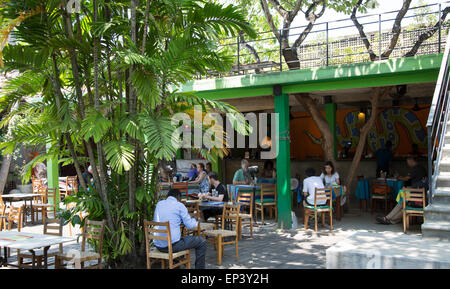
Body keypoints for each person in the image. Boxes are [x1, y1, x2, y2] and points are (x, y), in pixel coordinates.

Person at [153, 189, 207, 269]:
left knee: (179, 238)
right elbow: (190, 225)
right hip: (171, 246)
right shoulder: (179, 205)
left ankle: (176, 263)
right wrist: (196, 220)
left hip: (158, 244)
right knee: (201, 241)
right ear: (178, 197)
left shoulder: (159, 204)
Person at [376, 156, 427, 225]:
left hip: (417, 198)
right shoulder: (422, 168)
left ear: (411, 161)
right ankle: (390, 221)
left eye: (408, 162)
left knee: (402, 202)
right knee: (403, 205)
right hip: (422, 197)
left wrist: (399, 178)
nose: (408, 164)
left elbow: (407, 178)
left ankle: (387, 218)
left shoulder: (416, 168)